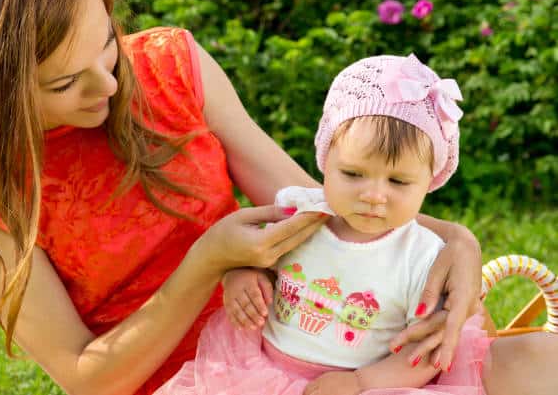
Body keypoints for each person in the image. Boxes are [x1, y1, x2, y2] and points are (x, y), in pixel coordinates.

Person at [0, 0, 555, 395]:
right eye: (65, 82)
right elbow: (84, 374)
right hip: (188, 380)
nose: (107, 85)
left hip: (320, 339)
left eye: (107, 48)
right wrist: (206, 263)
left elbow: (318, 201)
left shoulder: (170, 65)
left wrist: (456, 237)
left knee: (542, 362)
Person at [155, 53, 491, 395]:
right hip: (260, 372)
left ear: (429, 182)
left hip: (360, 383)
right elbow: (256, 255)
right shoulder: (299, 213)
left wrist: (362, 382)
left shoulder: (423, 257)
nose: (374, 195)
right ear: (326, 160)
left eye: (399, 182)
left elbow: (421, 350)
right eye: (353, 174)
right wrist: (243, 275)